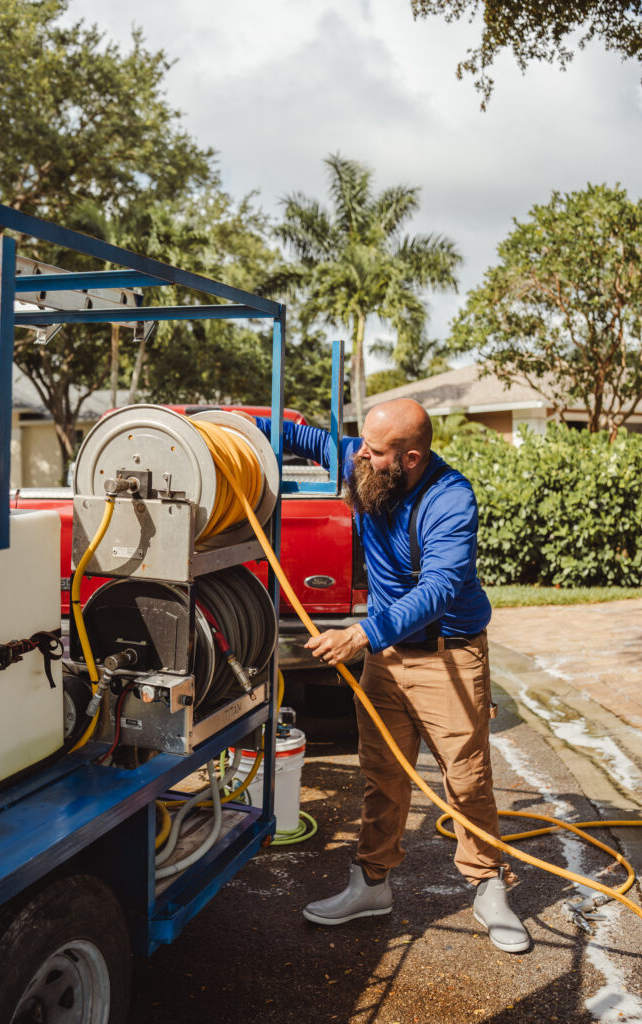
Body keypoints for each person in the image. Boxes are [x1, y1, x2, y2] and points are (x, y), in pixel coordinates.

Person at [249, 398, 529, 954]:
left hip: (448, 654)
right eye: (361, 446)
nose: (357, 459)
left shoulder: (451, 499)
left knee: (466, 778)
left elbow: (440, 588)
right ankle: (371, 884)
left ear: (410, 458)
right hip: (387, 656)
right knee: (382, 774)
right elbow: (297, 436)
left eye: (373, 453)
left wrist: (362, 634)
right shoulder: (363, 457)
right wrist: (215, 425)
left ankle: (487, 885)